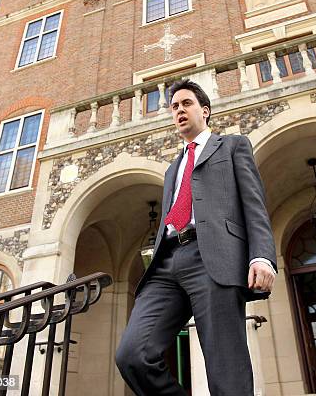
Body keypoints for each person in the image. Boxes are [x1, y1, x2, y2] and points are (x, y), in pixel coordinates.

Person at [115, 79, 277, 396]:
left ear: (204, 111)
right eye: (174, 107)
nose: (179, 111)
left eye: (186, 103)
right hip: (166, 264)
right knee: (133, 354)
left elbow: (254, 205)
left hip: (213, 257)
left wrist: (262, 256)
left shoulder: (232, 146)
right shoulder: (172, 169)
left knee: (225, 368)